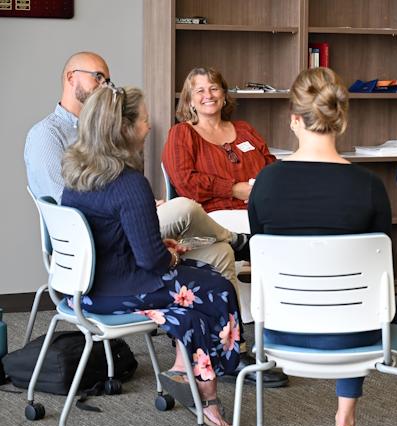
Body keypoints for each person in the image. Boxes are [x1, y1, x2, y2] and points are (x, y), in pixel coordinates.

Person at [23, 52, 288, 389]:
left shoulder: (81, 167)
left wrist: (144, 216)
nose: (150, 126)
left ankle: (196, 362)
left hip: (92, 278)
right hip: (111, 275)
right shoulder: (58, 141)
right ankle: (226, 363)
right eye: (145, 120)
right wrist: (162, 241)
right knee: (208, 265)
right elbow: (131, 247)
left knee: (217, 255)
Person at [248, 68, 397, 426]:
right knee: (357, 300)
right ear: (343, 120)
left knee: (347, 299)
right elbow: (378, 278)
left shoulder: (267, 183)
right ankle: (346, 419)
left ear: (294, 120)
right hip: (356, 337)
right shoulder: (370, 187)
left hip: (280, 335)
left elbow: (261, 254)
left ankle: (350, 414)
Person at [61, 84, 240, 426]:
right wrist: (170, 255)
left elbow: (111, 239)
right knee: (216, 286)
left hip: (83, 288)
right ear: (124, 129)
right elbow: (153, 263)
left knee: (192, 302)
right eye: (143, 120)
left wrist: (162, 250)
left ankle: (196, 384)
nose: (149, 126)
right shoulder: (129, 183)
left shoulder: (76, 175)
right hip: (120, 289)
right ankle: (212, 386)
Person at [23, 52, 246, 284]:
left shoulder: (107, 136)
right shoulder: (46, 135)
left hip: (116, 225)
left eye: (107, 80)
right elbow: (67, 208)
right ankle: (236, 241)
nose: (105, 86)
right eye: (98, 77)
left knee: (219, 251)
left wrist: (141, 205)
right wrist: (137, 208)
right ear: (71, 77)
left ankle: (232, 252)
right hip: (95, 238)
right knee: (184, 208)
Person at [162, 67, 276, 213]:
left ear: (223, 96)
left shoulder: (245, 130)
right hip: (213, 218)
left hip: (262, 209)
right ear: (190, 101)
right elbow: (186, 183)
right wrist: (233, 190)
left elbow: (271, 168)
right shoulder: (182, 133)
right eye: (200, 91)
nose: (208, 95)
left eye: (214, 88)